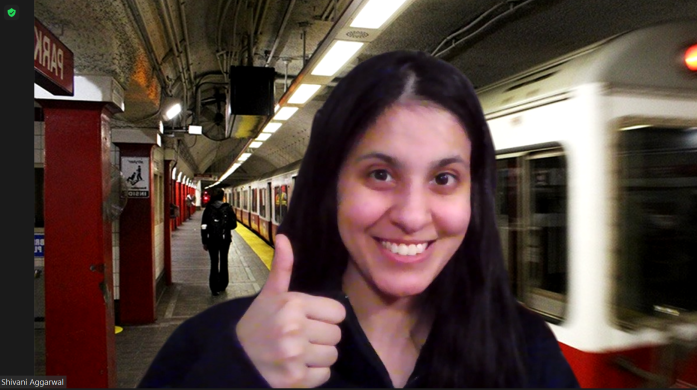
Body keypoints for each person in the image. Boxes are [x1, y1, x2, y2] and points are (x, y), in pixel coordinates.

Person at [139, 50, 580, 388]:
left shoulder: (527, 349)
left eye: (444, 177)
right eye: (381, 174)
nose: (411, 215)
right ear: (332, 187)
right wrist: (234, 372)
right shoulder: (211, 343)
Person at [200, 187, 237, 296]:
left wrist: (204, 241)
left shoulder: (208, 208)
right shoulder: (228, 208)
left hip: (212, 240)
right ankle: (223, 284)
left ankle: (214, 287)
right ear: (222, 196)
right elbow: (234, 225)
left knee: (214, 262)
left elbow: (203, 226)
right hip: (225, 239)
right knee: (224, 261)